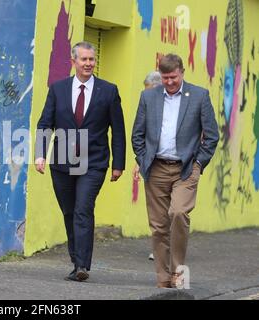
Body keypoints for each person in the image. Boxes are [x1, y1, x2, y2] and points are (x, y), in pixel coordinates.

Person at [35, 41, 126, 282]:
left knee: (83, 209)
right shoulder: (58, 89)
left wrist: (119, 163)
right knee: (69, 211)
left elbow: (118, 130)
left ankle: (83, 265)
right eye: (83, 59)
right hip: (62, 162)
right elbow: (45, 123)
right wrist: (40, 153)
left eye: (91, 59)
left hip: (94, 162)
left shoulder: (108, 90)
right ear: (73, 61)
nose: (88, 63)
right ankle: (76, 261)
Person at [131, 54, 219, 288]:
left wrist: (198, 165)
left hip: (186, 169)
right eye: (165, 77)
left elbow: (211, 136)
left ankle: (178, 271)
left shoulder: (199, 96)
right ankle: (163, 278)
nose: (170, 82)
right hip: (156, 168)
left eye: (174, 77)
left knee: (178, 213)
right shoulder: (148, 97)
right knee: (159, 226)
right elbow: (137, 135)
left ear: (182, 72)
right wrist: (142, 159)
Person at [132, 71, 162, 262]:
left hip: (176, 164)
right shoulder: (148, 103)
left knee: (173, 210)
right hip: (152, 163)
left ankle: (168, 248)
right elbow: (140, 134)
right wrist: (140, 160)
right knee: (157, 210)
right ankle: (160, 248)